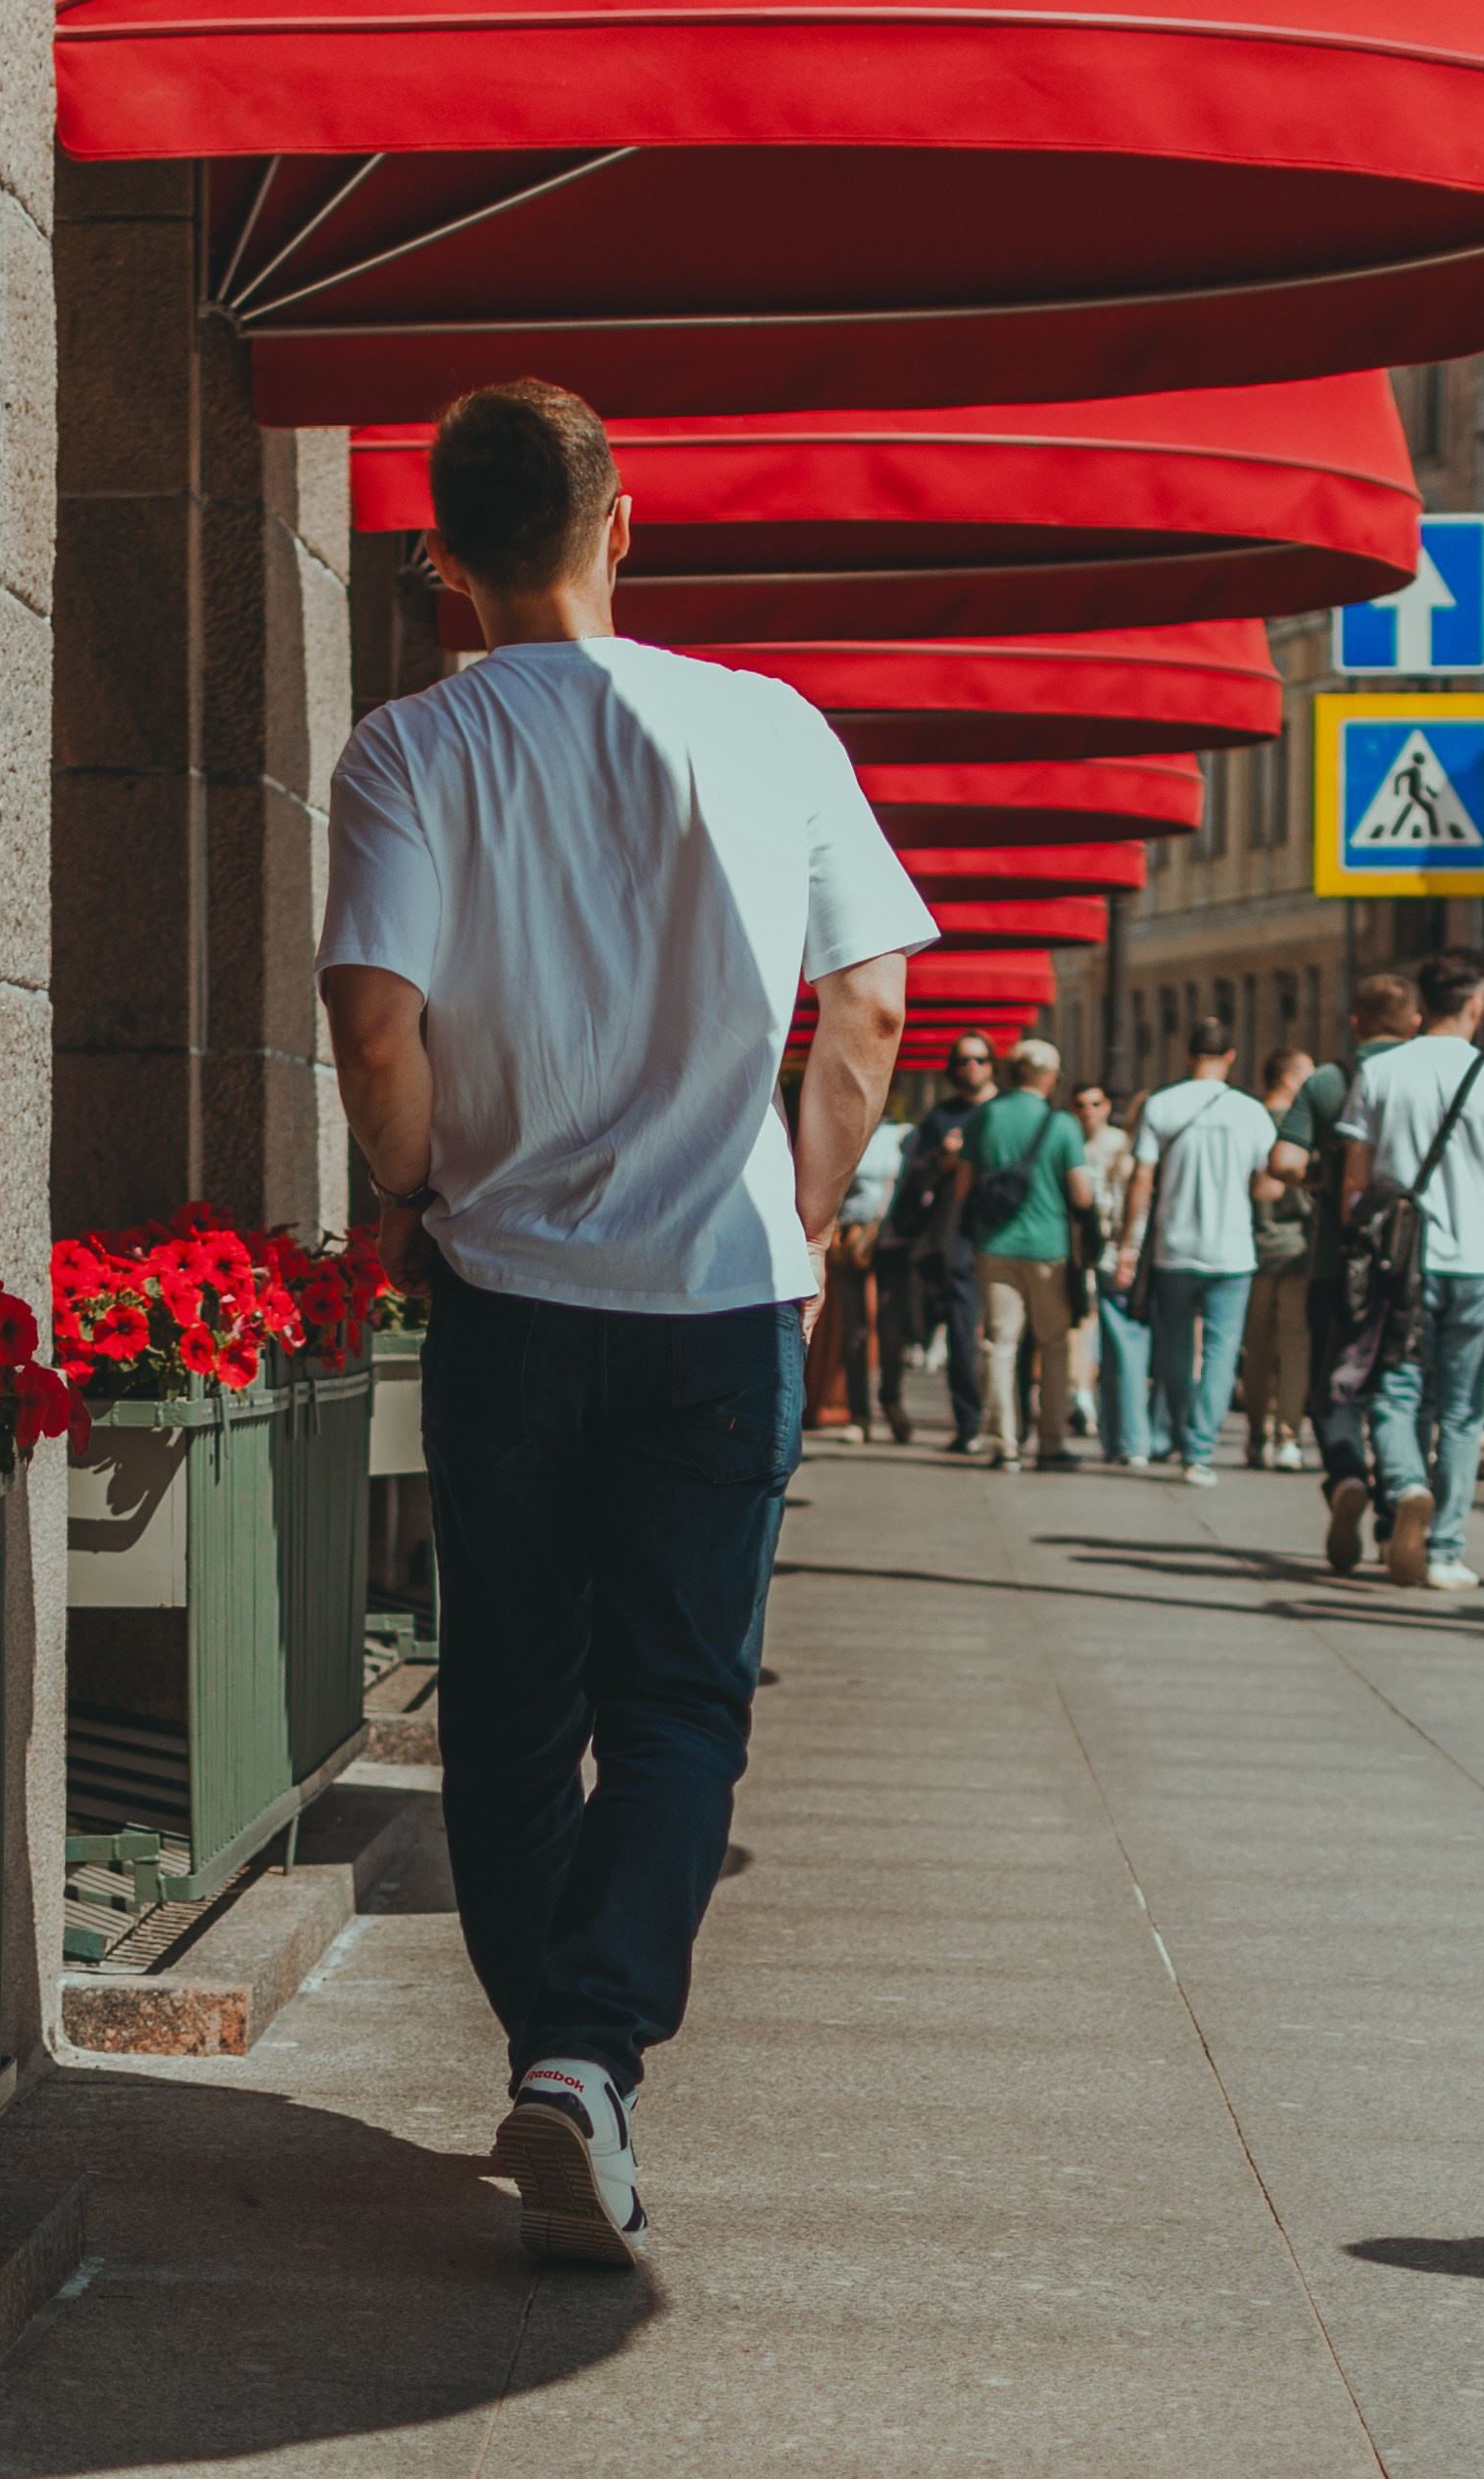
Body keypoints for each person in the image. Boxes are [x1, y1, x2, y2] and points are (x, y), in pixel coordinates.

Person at [316, 378, 935, 2266]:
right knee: (681, 1700)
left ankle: (553, 2053)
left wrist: (414, 1184)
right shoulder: (765, 725)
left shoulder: (405, 748)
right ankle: (585, 2054)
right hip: (719, 1293)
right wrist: (804, 1205)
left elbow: (369, 1020)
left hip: (506, 1292)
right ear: (623, 520)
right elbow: (870, 1007)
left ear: (438, 557)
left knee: (510, 1698)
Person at [1337, 949, 1484, 1591]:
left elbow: (1354, 1180)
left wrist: (1359, 1249)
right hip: (1474, 1265)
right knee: (1460, 1409)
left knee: (1393, 1389)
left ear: (1420, 1003)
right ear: (1477, 1002)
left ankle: (1402, 1485)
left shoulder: (1380, 1070)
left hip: (1399, 1261)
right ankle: (1445, 1548)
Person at [1271, 974, 1420, 1540]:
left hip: (1340, 1262)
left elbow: (1282, 1162)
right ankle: (1396, 1507)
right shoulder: (1431, 1077)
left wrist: (1323, 1182)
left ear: (1355, 1021)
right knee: (1400, 1390)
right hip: (1417, 1263)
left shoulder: (1330, 1081)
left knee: (1335, 1384)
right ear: (1415, 1022)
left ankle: (1346, 1476)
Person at [1114, 1020, 1279, 1487]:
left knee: (1174, 1350)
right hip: (1232, 1252)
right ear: (1230, 1057)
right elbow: (1267, 1184)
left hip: (1175, 1247)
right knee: (1222, 1351)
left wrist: (1129, 1245)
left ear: (1188, 1056)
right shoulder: (1251, 1112)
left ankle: (1183, 1434)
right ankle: (1201, 1448)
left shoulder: (1162, 1104)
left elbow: (1140, 1180)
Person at [956, 1039, 1094, 1471]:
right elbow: (1082, 1194)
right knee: (1053, 1345)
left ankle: (1005, 1444)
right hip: (1048, 1250)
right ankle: (1051, 1443)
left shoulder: (985, 1116)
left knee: (1000, 1344)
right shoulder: (1063, 1124)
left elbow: (963, 1186)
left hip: (993, 1246)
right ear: (1050, 1077)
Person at [886, 1033, 999, 1452]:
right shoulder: (940, 1117)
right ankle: (969, 1422)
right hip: (955, 1239)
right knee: (963, 1333)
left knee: (1007, 1336)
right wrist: (943, 1159)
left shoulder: (1004, 1113)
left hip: (1004, 1234)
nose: (973, 1067)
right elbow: (916, 1175)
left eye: (981, 1060)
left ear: (992, 1065)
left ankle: (1015, 1424)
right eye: (964, 1061)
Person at [1242, 1043, 1316, 1470]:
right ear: (1290, 1079)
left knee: (1256, 1349)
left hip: (1250, 1251)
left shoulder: (1247, 1120)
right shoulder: (1299, 1127)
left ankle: (1254, 1435)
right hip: (1295, 1251)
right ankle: (1287, 1436)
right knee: (1294, 1346)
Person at [1073, 1080, 1151, 1466]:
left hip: (1123, 1260)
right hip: (1132, 1261)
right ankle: (1130, 1439)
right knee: (1129, 1352)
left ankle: (1125, 1438)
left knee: (1123, 1352)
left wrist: (1123, 1253)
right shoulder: (1131, 1157)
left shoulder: (1127, 1155)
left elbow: (1119, 1212)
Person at [830, 1113, 914, 1443]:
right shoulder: (844, 1128)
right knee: (855, 1331)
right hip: (850, 1237)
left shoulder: (904, 1134)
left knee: (892, 1329)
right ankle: (859, 1415)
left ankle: (891, 1399)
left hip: (892, 1241)